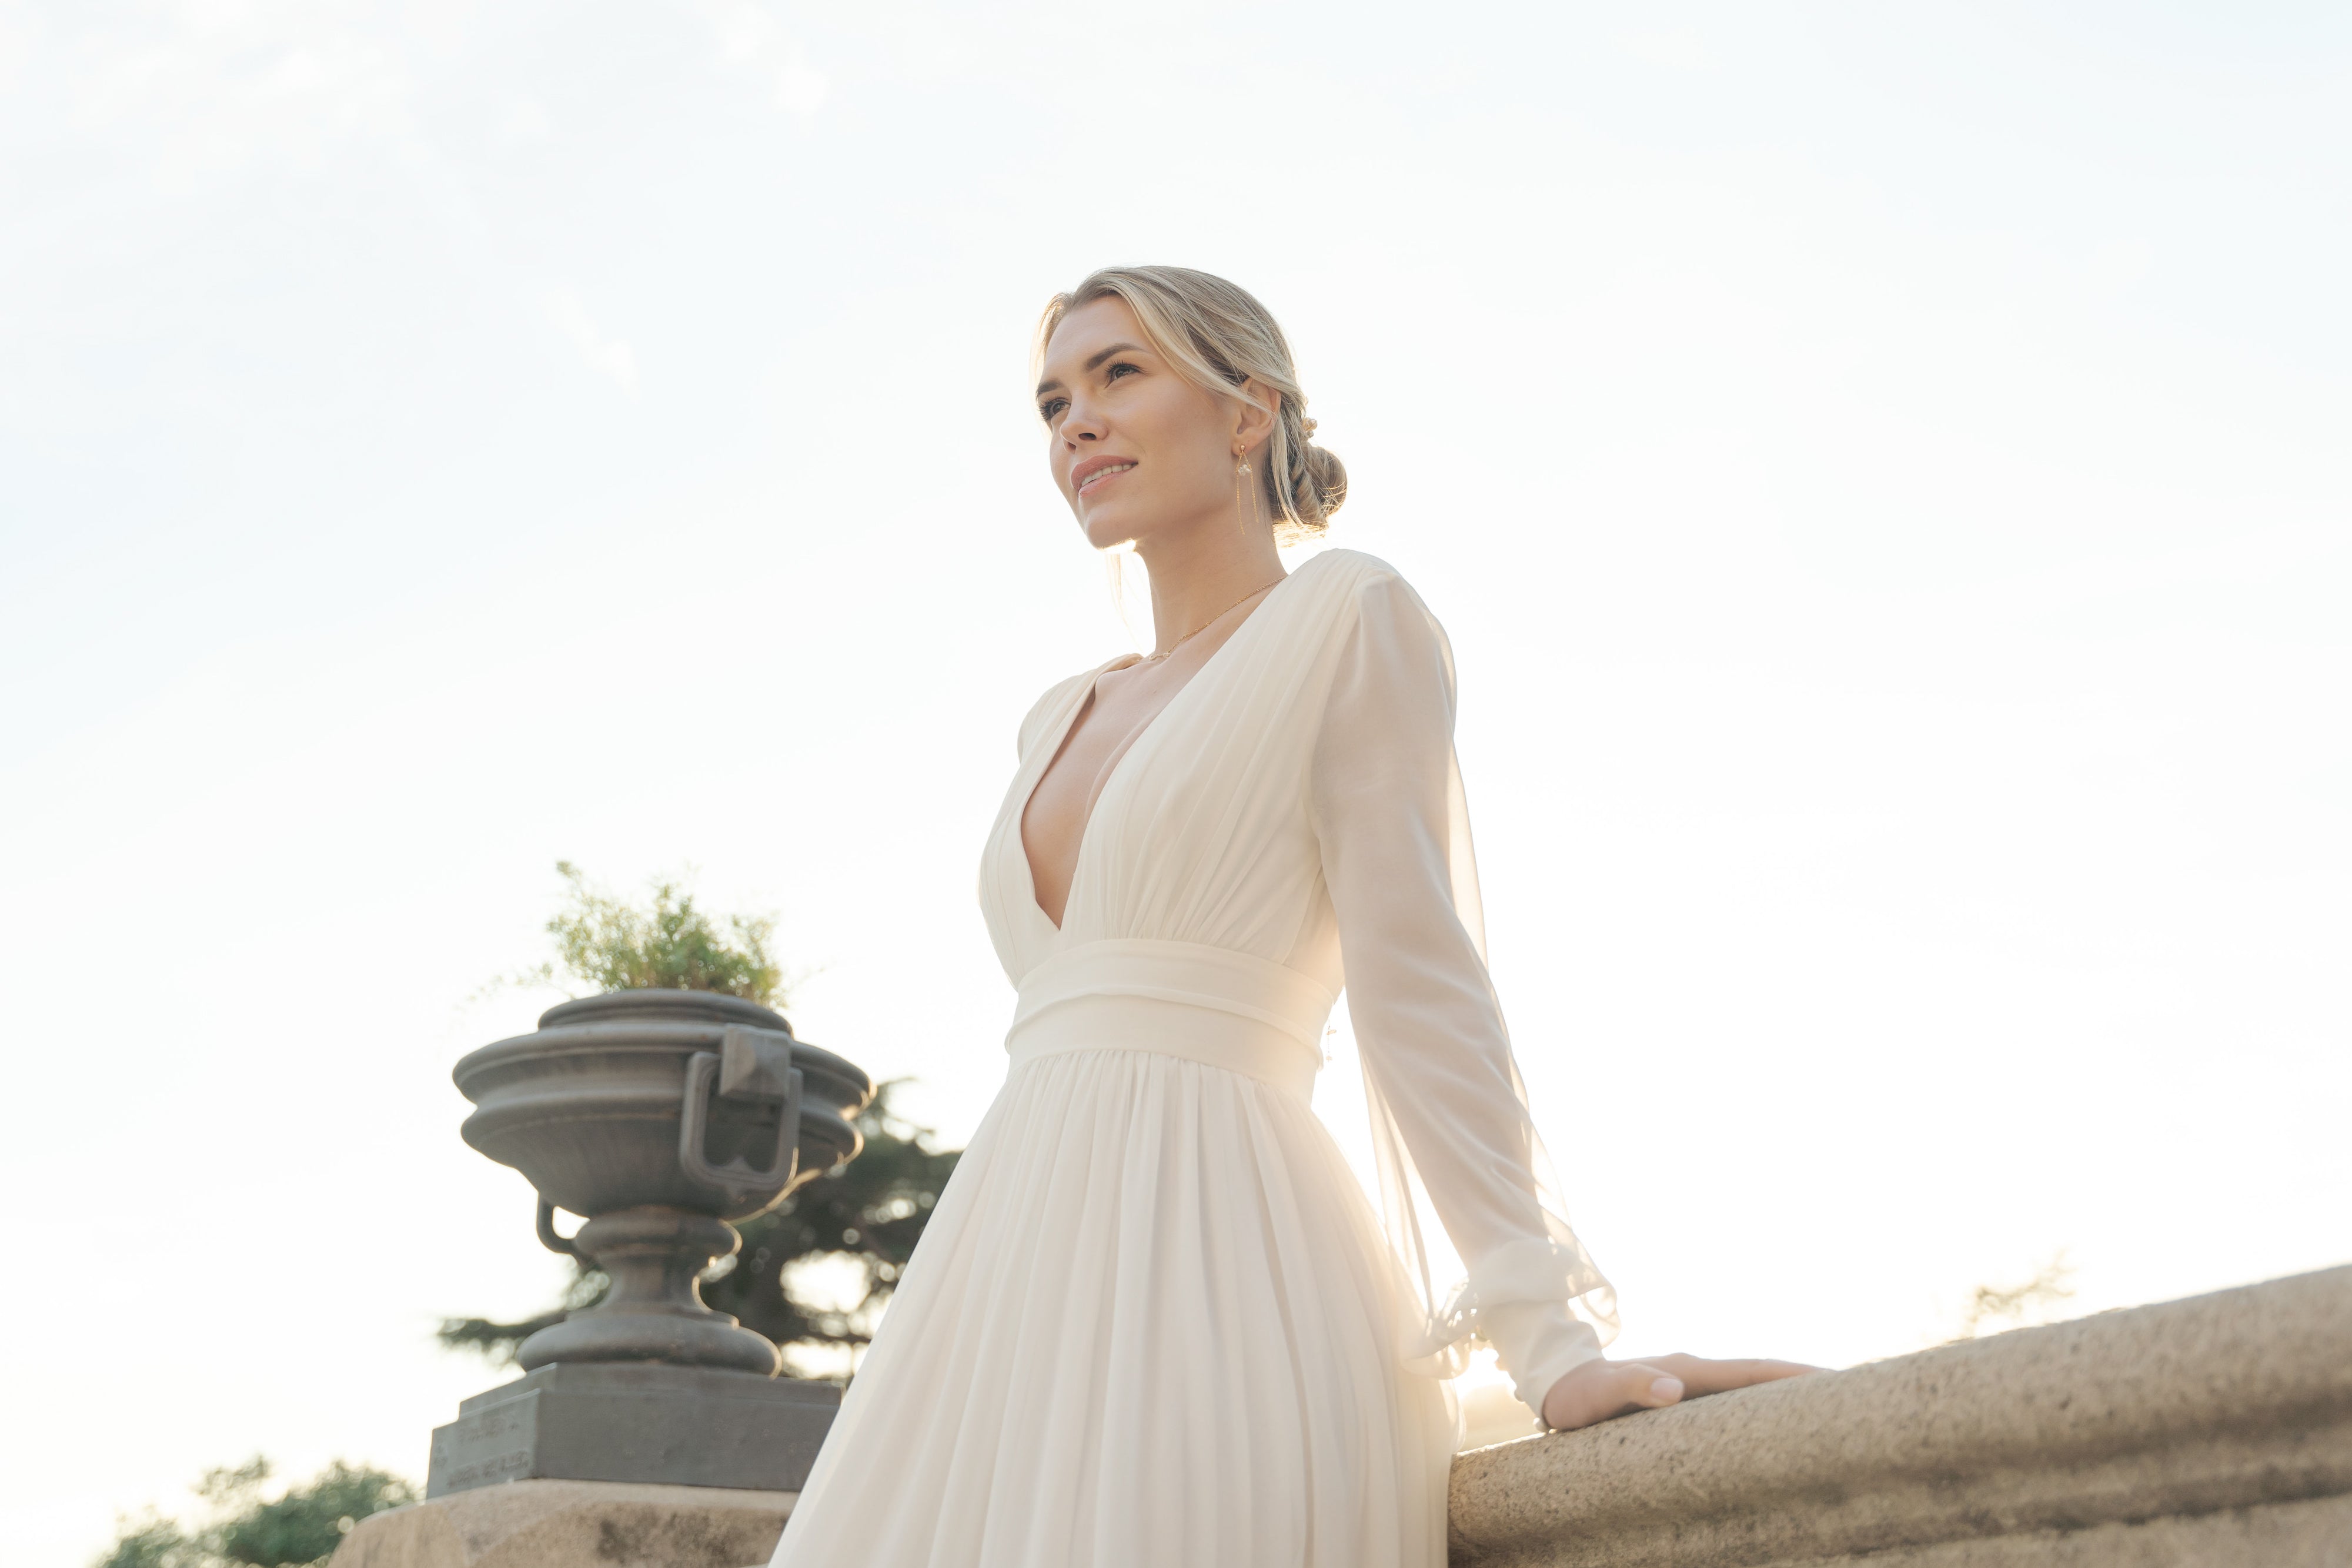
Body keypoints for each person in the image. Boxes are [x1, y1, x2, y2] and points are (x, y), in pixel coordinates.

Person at [769, 266, 1813, 1567]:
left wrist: (1547, 1343)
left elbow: (1417, 983)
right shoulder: (1055, 714)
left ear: (1247, 411)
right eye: (1050, 402)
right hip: (1004, 1270)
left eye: (1117, 375)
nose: (1073, 424)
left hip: (1221, 1251)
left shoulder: (1347, 615)